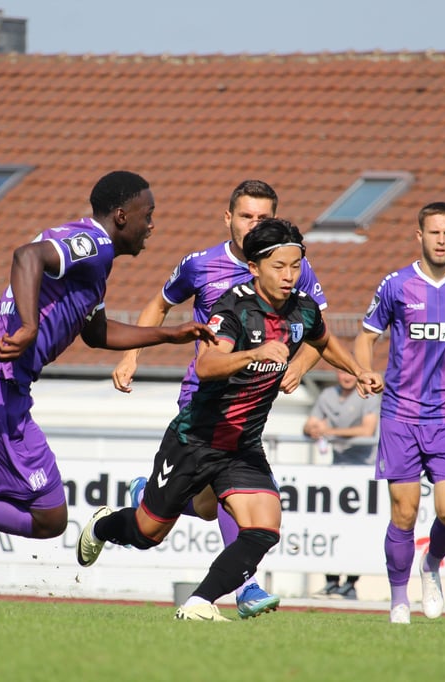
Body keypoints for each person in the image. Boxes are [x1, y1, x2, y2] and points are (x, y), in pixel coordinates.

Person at [0, 171, 215, 612]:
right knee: (49, 518)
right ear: (122, 215)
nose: (152, 225)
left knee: (0, 501)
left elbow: (98, 332)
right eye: (149, 215)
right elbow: (27, 256)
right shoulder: (94, 242)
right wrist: (30, 325)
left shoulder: (95, 266)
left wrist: (169, 335)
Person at [78, 218, 383, 621]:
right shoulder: (234, 308)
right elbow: (206, 365)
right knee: (147, 533)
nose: (289, 276)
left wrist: (358, 369)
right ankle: (104, 526)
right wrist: (252, 354)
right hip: (195, 440)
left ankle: (200, 602)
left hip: (242, 445)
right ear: (255, 267)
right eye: (279, 267)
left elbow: (323, 340)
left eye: (295, 266)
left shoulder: (303, 309)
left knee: (265, 528)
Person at [111, 179, 328, 617]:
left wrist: (301, 368)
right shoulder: (200, 265)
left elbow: (317, 331)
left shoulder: (290, 266)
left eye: (262, 218)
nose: (254, 225)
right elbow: (159, 307)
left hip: (250, 410)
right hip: (202, 403)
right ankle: (243, 587)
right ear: (228, 218)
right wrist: (131, 355)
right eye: (246, 216)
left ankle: (212, 589)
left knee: (212, 508)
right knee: (166, 523)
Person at [354, 201, 445, 624]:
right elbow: (366, 337)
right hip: (400, 413)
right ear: (419, 236)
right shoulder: (396, 285)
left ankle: (430, 564)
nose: (440, 240)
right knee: (405, 512)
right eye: (433, 233)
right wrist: (365, 371)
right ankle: (399, 599)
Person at [303, 368, 379, 600]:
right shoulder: (327, 396)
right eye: (341, 371)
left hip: (365, 471)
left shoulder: (369, 395)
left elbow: (368, 430)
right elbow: (309, 426)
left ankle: (351, 584)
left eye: (350, 372)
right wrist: (313, 429)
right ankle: (332, 582)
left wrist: (329, 431)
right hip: (338, 470)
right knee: (331, 525)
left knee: (359, 529)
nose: (346, 376)